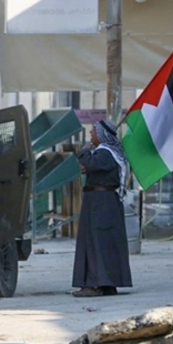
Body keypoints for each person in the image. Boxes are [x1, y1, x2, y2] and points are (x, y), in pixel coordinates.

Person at [72, 120, 133, 297]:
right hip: (101, 201)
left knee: (96, 242)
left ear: (101, 135)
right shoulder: (109, 153)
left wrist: (84, 152)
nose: (91, 134)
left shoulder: (106, 152)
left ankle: (95, 284)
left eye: (93, 131)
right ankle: (107, 283)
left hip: (101, 202)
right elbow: (96, 169)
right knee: (105, 242)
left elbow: (92, 163)